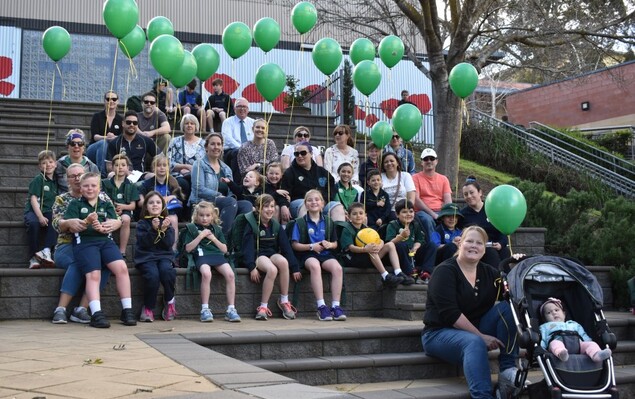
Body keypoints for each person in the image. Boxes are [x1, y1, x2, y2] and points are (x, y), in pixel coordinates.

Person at [421, 226, 520, 399]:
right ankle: (483, 396)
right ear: (460, 243)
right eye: (469, 241)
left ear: (484, 248)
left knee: (508, 307)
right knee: (474, 342)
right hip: (439, 332)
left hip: (477, 328)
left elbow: (509, 294)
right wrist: (481, 336)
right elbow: (450, 314)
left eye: (479, 243)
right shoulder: (444, 271)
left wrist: (517, 268)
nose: (474, 246)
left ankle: (507, 371)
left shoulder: (490, 273)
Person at [63, 172, 136, 328]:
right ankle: (96, 313)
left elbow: (113, 222)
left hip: (105, 242)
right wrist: (87, 221)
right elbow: (73, 226)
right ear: (81, 188)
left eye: (93, 185)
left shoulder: (105, 203)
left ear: (99, 188)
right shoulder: (75, 204)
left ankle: (127, 310)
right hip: (85, 243)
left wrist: (105, 226)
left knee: (122, 268)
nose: (90, 189)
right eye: (86, 186)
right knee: (94, 274)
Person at [50, 164, 113, 324]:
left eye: (80, 175)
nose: (77, 178)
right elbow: (56, 223)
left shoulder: (102, 198)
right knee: (80, 262)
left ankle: (81, 309)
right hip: (67, 245)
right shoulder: (62, 199)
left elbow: (113, 219)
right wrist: (68, 222)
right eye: (72, 176)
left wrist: (114, 224)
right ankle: (61, 309)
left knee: (105, 264)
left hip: (95, 243)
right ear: (67, 180)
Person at [290, 190, 346, 321]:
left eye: (317, 200)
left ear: (322, 203)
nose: (313, 202)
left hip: (325, 254)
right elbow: (295, 244)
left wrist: (330, 245)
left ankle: (335, 306)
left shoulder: (328, 221)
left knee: (337, 268)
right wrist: (311, 246)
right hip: (308, 254)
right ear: (305, 204)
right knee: (315, 266)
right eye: (310, 200)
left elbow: (335, 243)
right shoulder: (300, 222)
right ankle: (321, 306)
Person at [242, 194, 300, 320]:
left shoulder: (275, 225)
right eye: (266, 206)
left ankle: (284, 301)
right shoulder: (252, 224)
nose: (270, 209)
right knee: (272, 270)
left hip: (271, 253)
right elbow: (247, 248)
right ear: (258, 209)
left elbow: (286, 247)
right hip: (258, 255)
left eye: (272, 206)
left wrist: (295, 267)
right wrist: (251, 266)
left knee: (284, 262)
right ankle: (263, 307)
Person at [182, 201, 241, 322]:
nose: (204, 218)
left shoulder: (216, 229)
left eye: (208, 215)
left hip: (216, 255)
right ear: (196, 216)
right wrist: (200, 236)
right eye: (201, 215)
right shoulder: (191, 228)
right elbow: (188, 248)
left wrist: (213, 238)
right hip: (201, 255)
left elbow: (224, 249)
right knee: (206, 274)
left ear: (213, 216)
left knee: (230, 275)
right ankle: (205, 309)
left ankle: (231, 309)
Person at [188, 133, 252, 235]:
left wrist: (227, 198)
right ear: (206, 147)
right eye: (213, 144)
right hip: (203, 203)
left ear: (222, 147)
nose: (216, 147)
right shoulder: (199, 164)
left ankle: (236, 238)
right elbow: (198, 189)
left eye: (219, 144)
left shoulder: (226, 168)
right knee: (230, 202)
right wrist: (218, 195)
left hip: (225, 204)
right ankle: (222, 239)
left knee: (246, 205)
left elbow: (231, 192)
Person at [338, 202, 404, 287]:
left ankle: (398, 272)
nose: (358, 216)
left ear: (365, 216)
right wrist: (365, 249)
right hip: (353, 258)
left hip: (367, 256)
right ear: (349, 217)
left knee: (390, 244)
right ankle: (385, 276)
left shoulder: (366, 228)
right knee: (371, 251)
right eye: (354, 214)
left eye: (361, 213)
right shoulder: (347, 229)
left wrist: (379, 246)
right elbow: (350, 248)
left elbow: (380, 240)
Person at [134, 191, 176, 322]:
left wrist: (163, 230)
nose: (155, 205)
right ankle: (148, 307)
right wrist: (153, 229)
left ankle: (169, 301)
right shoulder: (142, 224)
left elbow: (169, 244)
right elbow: (145, 243)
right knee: (153, 276)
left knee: (167, 271)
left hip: (164, 256)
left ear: (163, 206)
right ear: (146, 206)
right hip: (146, 257)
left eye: (158, 202)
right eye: (151, 202)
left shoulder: (167, 223)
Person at [280, 142, 345, 222]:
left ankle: (337, 234)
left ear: (311, 154)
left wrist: (323, 201)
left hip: (321, 203)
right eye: (297, 154)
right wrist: (284, 205)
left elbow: (331, 190)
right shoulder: (289, 173)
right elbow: (284, 192)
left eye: (303, 153)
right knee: (307, 205)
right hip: (299, 204)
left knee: (337, 208)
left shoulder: (323, 172)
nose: (300, 156)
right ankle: (306, 233)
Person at [539, 297, 612, 363]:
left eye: (556, 310)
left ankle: (596, 355)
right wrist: (541, 349)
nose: (554, 313)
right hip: (558, 340)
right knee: (554, 344)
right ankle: (561, 353)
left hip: (578, 344)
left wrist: (588, 341)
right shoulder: (545, 326)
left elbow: (583, 335)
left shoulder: (574, 324)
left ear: (564, 314)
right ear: (545, 319)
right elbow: (543, 338)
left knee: (591, 344)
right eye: (549, 312)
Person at [461, 176, 511, 267]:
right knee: (490, 253)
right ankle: (497, 278)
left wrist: (500, 244)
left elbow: (502, 231)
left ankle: (507, 278)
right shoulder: (463, 214)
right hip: (477, 247)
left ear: (480, 192)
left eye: (471, 192)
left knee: (505, 251)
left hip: (495, 244)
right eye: (465, 194)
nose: (469, 196)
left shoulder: (492, 210)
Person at [139, 155, 186, 247]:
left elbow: (181, 202)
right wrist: (160, 200)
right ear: (153, 168)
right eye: (158, 165)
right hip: (151, 212)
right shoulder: (147, 184)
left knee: (173, 219)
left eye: (164, 165)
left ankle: (173, 249)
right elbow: (141, 202)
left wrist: (173, 198)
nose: (162, 168)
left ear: (168, 167)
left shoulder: (173, 183)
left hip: (169, 212)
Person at [385, 199, 433, 285]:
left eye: (411, 211)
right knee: (400, 245)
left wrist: (415, 247)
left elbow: (419, 239)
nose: (408, 214)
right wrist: (400, 237)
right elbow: (390, 243)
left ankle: (425, 272)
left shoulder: (415, 224)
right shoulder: (392, 225)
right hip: (401, 255)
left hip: (413, 253)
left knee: (431, 245)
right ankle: (409, 273)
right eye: (404, 212)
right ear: (397, 214)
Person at [25, 150, 58, 269]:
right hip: (34, 211)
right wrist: (39, 216)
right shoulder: (38, 179)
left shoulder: (55, 181)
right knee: (33, 224)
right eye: (44, 163)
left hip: (48, 211)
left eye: (50, 162)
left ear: (55, 164)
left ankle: (46, 250)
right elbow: (33, 199)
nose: (48, 165)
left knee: (55, 220)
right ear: (39, 166)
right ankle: (33, 257)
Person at [101, 154, 139, 258]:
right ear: (112, 167)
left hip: (124, 210)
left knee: (126, 219)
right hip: (107, 210)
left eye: (123, 165)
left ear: (128, 168)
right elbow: (101, 200)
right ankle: (106, 246)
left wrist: (122, 207)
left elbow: (132, 205)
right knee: (105, 218)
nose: (120, 167)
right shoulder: (105, 183)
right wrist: (112, 209)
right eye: (117, 165)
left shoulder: (131, 185)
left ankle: (122, 251)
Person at [412, 148, 452, 241]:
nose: (429, 161)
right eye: (426, 159)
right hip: (423, 212)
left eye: (432, 158)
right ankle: (435, 245)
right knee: (427, 220)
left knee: (455, 218)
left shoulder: (443, 179)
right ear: (421, 162)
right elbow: (416, 200)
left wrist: (446, 212)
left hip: (441, 211)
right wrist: (433, 214)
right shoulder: (415, 178)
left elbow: (448, 200)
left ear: (436, 161)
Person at [106, 111, 158, 179]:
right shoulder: (114, 143)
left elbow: (160, 157)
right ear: (123, 123)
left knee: (153, 176)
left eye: (135, 123)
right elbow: (109, 166)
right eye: (128, 122)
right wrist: (125, 172)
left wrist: (154, 169)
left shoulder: (146, 141)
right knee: (110, 175)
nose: (132, 125)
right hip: (121, 174)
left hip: (141, 175)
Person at [167, 113, 206, 198]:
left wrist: (192, 171)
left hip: (198, 176)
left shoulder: (203, 144)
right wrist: (185, 167)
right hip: (178, 175)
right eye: (186, 123)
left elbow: (206, 164)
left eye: (192, 123)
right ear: (182, 126)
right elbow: (168, 162)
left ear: (196, 126)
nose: (189, 125)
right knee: (183, 184)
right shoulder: (174, 141)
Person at [87, 90, 123, 176]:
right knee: (103, 143)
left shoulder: (121, 119)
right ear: (104, 101)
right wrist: (107, 138)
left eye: (114, 99)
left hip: (112, 151)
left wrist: (114, 137)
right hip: (94, 150)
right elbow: (95, 136)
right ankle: (102, 175)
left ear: (117, 101)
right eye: (108, 99)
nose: (111, 101)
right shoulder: (97, 116)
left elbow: (122, 137)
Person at [54, 129, 99, 193]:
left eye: (80, 144)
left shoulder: (92, 167)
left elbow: (98, 188)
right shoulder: (58, 165)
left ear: (83, 147)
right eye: (73, 143)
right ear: (68, 146)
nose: (76, 146)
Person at [220, 97, 253, 180]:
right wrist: (242, 149)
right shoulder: (228, 122)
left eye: (244, 107)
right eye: (239, 106)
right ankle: (236, 182)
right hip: (232, 151)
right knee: (237, 152)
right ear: (234, 109)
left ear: (248, 109)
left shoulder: (253, 123)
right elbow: (228, 139)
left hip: (250, 151)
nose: (242, 109)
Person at [380, 152, 416, 217]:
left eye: (392, 161)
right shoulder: (380, 177)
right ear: (383, 165)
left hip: (403, 211)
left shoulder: (405, 176)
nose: (389, 163)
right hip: (384, 212)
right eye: (386, 162)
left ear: (397, 163)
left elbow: (411, 198)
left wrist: (407, 212)